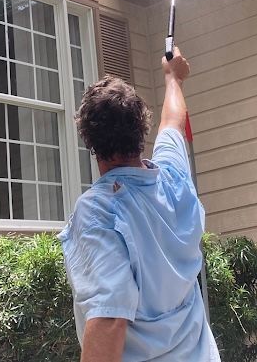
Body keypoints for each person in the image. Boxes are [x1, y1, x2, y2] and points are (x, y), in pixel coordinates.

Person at [59, 47, 221, 362]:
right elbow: (172, 121)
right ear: (141, 131)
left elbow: (110, 319)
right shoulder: (173, 178)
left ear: (89, 141)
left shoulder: (98, 211)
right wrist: (173, 77)